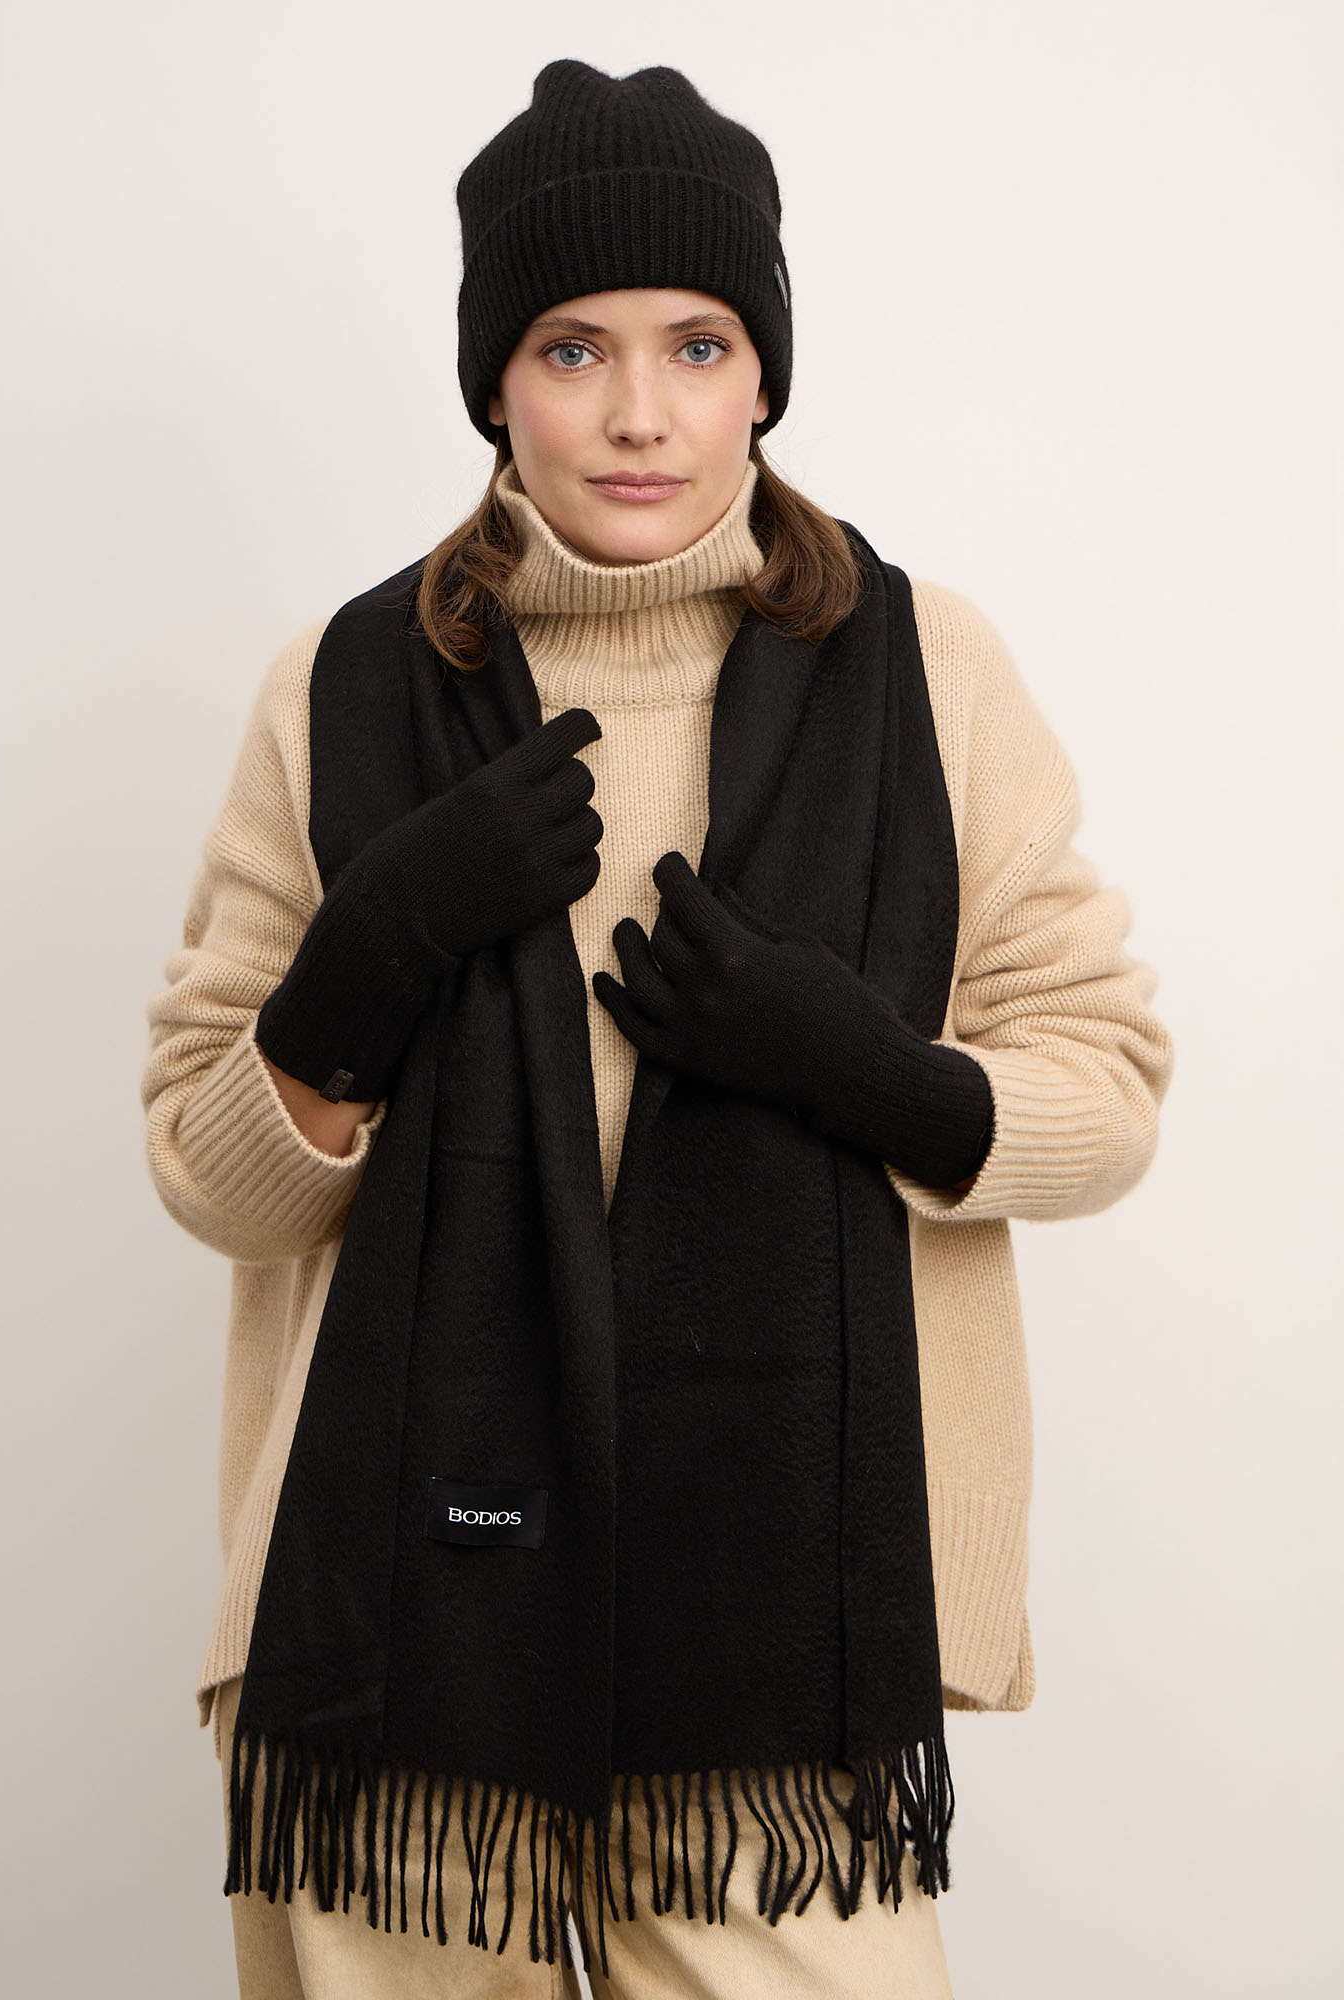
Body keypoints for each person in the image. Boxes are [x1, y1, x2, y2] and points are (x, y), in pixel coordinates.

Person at [140, 59, 1174, 2000]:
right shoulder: (345, 688)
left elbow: (1108, 1088)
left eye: (696, 345)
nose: (638, 413)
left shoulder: (926, 672)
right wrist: (372, 954)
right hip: (395, 1630)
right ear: (495, 384)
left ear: (763, 374)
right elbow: (213, 1178)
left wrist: (867, 1068)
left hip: (782, 1614)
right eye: (572, 348)